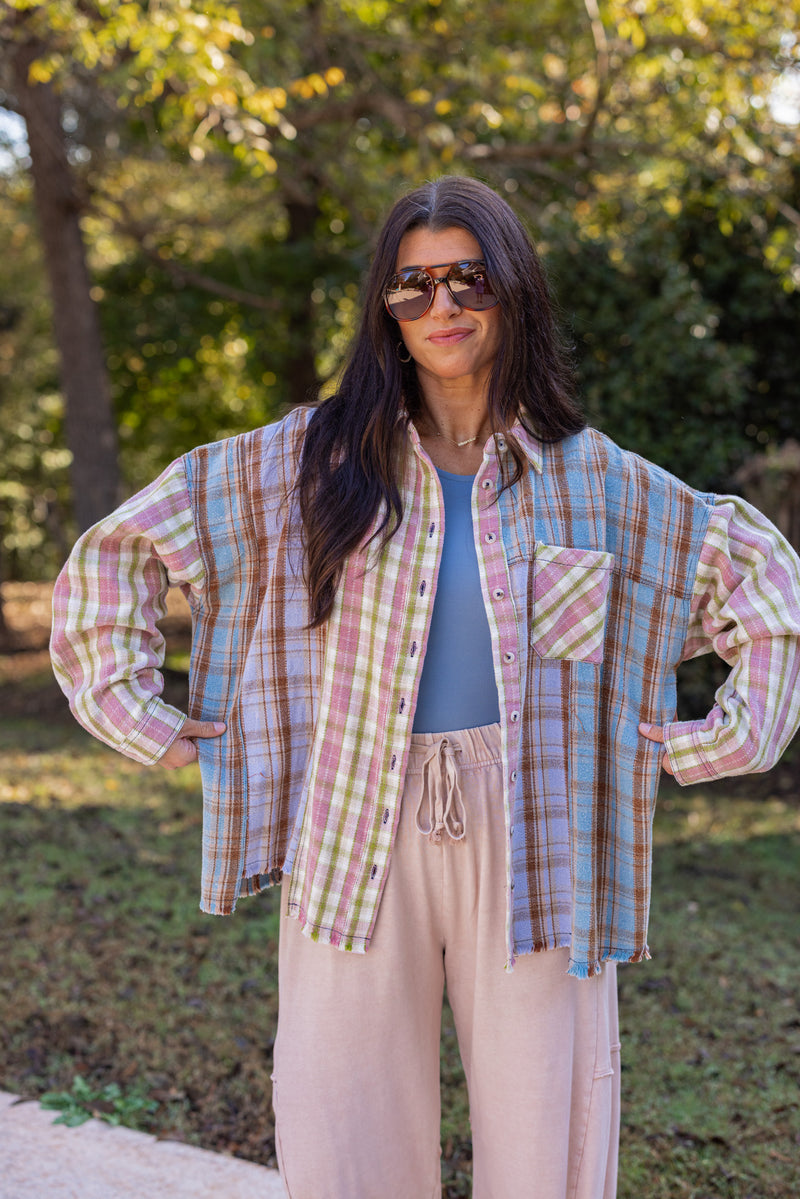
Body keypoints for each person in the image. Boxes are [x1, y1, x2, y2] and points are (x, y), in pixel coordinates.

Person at [51, 175, 800, 1199]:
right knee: (341, 1118)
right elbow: (117, 554)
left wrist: (706, 741)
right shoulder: (303, 461)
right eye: (411, 288)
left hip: (534, 820)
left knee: (551, 1129)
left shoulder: (596, 479)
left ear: (512, 293)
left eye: (466, 280)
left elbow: (760, 582)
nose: (440, 308)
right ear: (384, 310)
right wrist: (145, 719)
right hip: (349, 805)